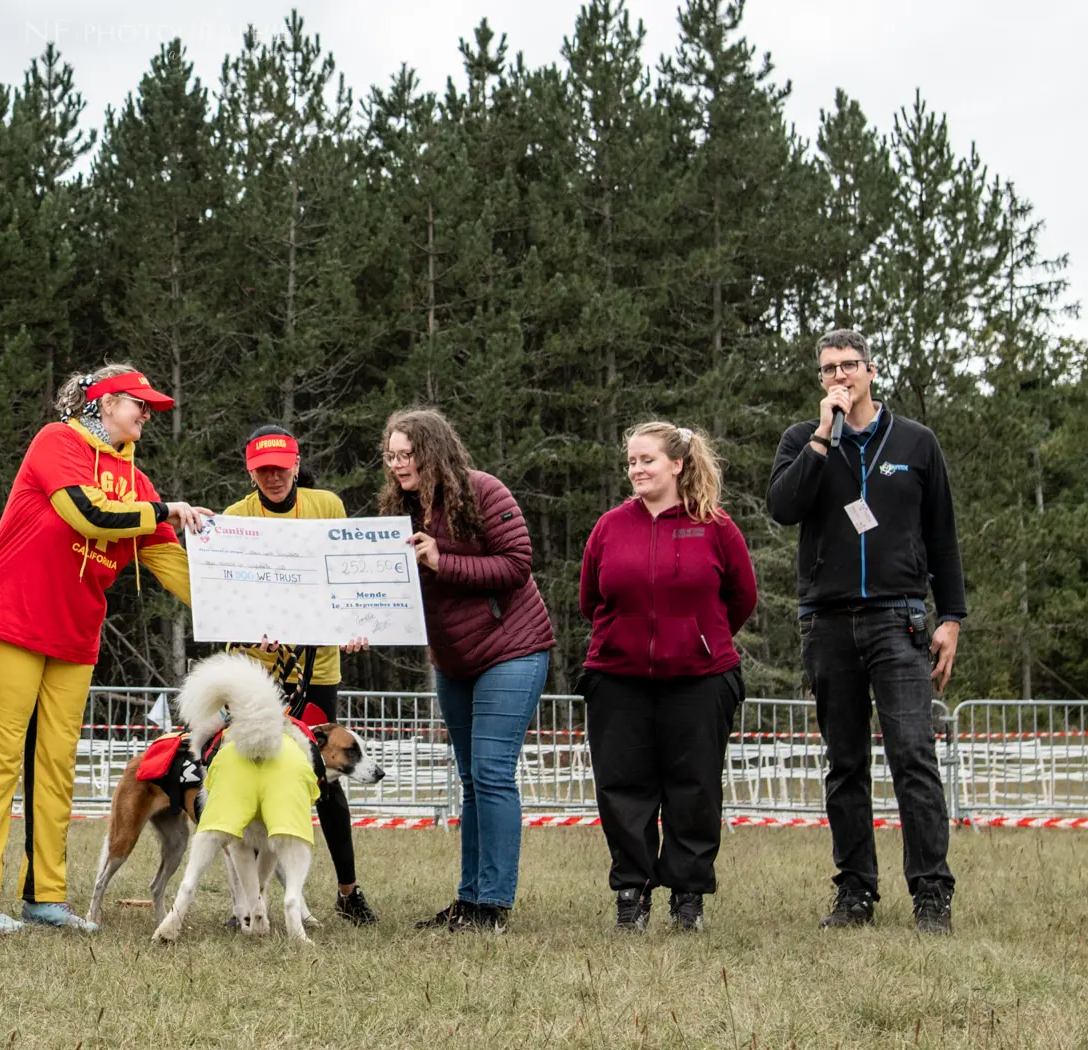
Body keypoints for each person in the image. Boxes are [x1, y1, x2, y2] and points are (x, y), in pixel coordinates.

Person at [0, 364, 205, 933]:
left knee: (56, 767)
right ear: (106, 401)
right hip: (10, 620)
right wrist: (164, 512)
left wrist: (240, 607)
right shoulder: (56, 440)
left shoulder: (137, 482)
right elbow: (83, 512)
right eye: (139, 404)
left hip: (74, 635)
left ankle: (45, 898)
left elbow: (170, 564)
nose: (147, 415)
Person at [767, 328, 965, 934]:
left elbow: (942, 535)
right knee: (844, 762)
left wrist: (951, 616)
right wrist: (823, 437)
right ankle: (855, 891)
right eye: (827, 370)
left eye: (848, 366)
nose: (838, 378)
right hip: (826, 622)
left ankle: (931, 893)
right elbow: (783, 507)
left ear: (871, 371)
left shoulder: (915, 442)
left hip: (897, 618)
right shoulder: (803, 441)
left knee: (913, 758)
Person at [579, 422, 756, 933]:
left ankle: (688, 898)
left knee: (694, 789)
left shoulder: (715, 526)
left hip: (700, 680)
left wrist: (697, 637)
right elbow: (590, 598)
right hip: (618, 679)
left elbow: (741, 597)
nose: (636, 469)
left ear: (677, 464)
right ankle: (631, 895)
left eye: (647, 460)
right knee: (623, 790)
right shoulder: (610, 527)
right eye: (631, 461)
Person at [384, 407, 554, 934]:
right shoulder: (402, 509)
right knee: (470, 779)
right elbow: (389, 587)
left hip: (512, 647)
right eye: (390, 456)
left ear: (433, 451)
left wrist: (442, 560)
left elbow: (517, 564)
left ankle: (494, 906)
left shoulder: (485, 491)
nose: (397, 465)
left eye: (406, 454)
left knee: (491, 773)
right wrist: (362, 621)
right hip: (453, 658)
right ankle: (469, 900)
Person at [224, 425, 378, 926]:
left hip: (316, 669)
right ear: (250, 472)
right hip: (256, 673)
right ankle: (246, 904)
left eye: (280, 466)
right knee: (245, 778)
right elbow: (230, 597)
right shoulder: (235, 519)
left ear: (296, 463)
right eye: (262, 469)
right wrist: (251, 631)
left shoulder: (326, 505)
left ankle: (348, 892)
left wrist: (356, 623)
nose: (273, 476)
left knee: (324, 779)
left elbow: (346, 574)